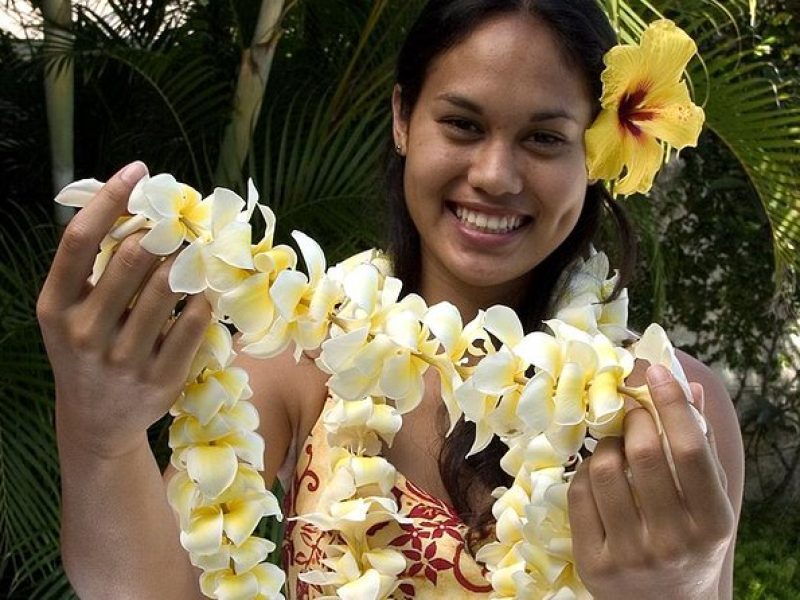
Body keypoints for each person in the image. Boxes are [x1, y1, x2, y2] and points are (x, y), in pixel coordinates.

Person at [37, 1, 743, 598]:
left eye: (543, 138)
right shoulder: (298, 357)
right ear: (404, 118)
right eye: (463, 125)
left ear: (594, 151)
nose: (495, 175)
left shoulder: (664, 415)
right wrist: (101, 437)